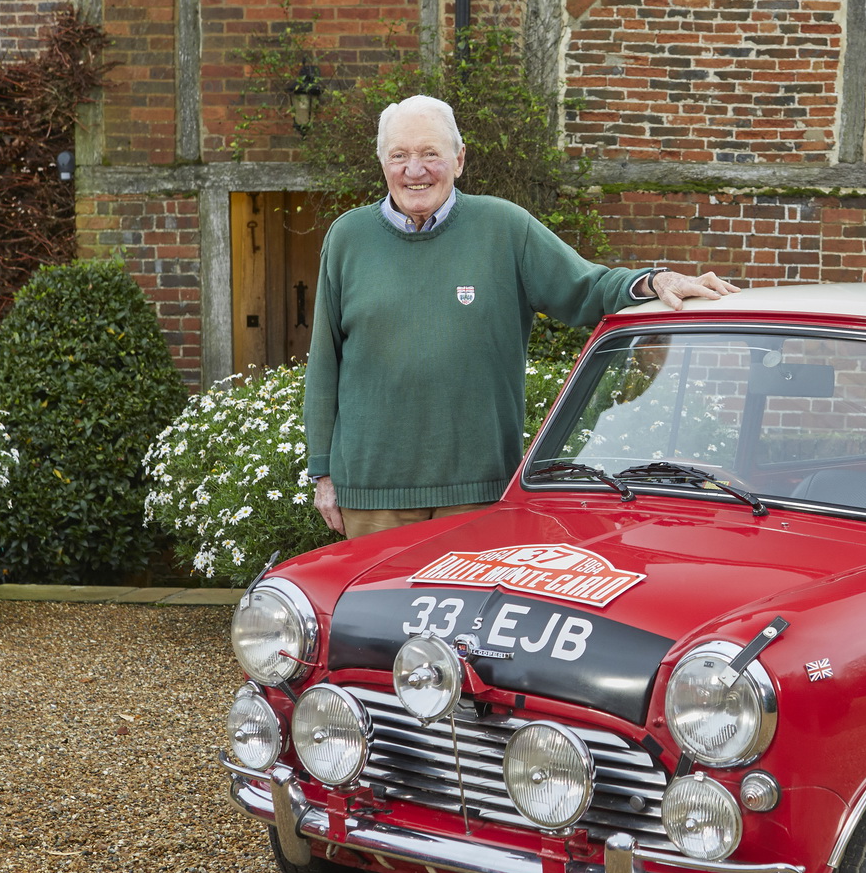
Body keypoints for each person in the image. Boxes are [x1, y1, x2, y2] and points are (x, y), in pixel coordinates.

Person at [304, 94, 738, 540]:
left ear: (459, 159)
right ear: (383, 163)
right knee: (375, 591)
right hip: (372, 495)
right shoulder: (347, 238)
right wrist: (323, 473)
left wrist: (655, 280)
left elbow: (587, 288)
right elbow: (324, 362)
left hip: (479, 491)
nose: (415, 170)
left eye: (430, 153)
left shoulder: (505, 228)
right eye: (399, 156)